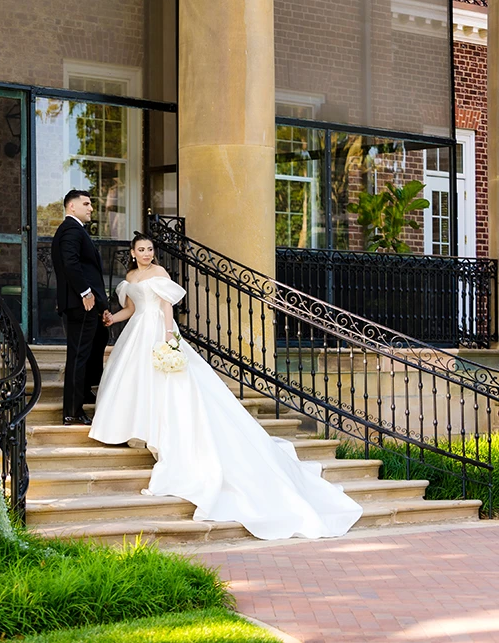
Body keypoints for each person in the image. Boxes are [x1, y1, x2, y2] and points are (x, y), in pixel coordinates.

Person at [88, 233, 363, 540]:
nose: (147, 253)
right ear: (133, 252)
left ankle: (158, 431)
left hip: (157, 330)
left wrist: (168, 336)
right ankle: (134, 428)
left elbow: (166, 308)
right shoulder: (130, 277)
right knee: (132, 381)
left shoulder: (160, 274)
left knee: (167, 385)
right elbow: (131, 309)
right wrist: (114, 318)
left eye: (151, 249)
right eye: (142, 249)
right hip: (137, 330)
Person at [51, 189, 112, 426]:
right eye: (86, 204)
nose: (91, 208)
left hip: (90, 304)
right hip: (80, 304)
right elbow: (71, 263)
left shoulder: (77, 231)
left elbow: (89, 271)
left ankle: (85, 391)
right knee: (78, 355)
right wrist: (85, 293)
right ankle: (72, 412)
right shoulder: (70, 229)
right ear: (71, 207)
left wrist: (103, 306)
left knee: (97, 342)